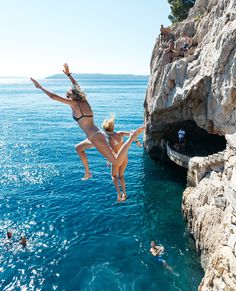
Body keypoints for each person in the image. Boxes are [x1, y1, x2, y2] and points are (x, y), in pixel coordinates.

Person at [30, 63, 144, 180]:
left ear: (71, 97)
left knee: (115, 161)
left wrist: (40, 87)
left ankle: (131, 138)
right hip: (95, 135)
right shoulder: (84, 101)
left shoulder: (74, 104)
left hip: (95, 136)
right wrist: (69, 74)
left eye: (68, 97)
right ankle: (88, 173)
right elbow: (77, 86)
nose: (67, 99)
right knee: (78, 148)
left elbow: (53, 96)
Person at [102, 114, 142, 202]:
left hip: (117, 159)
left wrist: (108, 161)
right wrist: (137, 142)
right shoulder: (120, 133)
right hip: (125, 158)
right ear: (112, 128)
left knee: (113, 175)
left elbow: (111, 152)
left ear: (105, 130)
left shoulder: (109, 139)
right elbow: (132, 134)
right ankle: (124, 193)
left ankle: (119, 193)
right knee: (121, 175)